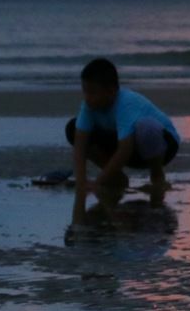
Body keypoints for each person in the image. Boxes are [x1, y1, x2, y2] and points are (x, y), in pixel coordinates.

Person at [67, 57, 179, 221]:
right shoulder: (88, 106)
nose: (87, 97)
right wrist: (81, 181)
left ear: (111, 91)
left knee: (146, 127)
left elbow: (124, 150)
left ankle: (157, 175)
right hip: (129, 145)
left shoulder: (126, 103)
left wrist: (97, 182)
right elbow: (80, 144)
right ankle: (117, 177)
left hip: (162, 145)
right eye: (85, 91)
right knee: (72, 127)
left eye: (92, 92)